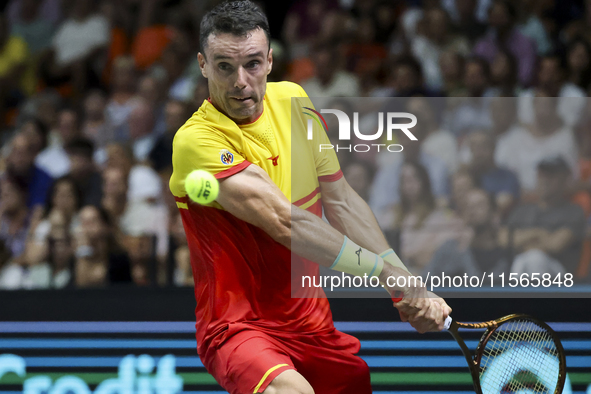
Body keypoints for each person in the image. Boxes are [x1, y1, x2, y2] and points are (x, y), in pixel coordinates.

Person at [169, 2, 451, 394]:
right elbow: (287, 223)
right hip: (240, 326)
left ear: (270, 61)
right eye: (224, 66)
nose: (240, 82)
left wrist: (403, 281)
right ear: (202, 64)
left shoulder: (294, 102)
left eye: (252, 64)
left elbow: (341, 201)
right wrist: (387, 274)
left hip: (313, 327)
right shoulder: (196, 141)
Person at [500, 157, 586, 275]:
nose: (545, 180)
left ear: (565, 179)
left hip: (560, 277)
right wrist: (537, 233)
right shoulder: (522, 210)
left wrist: (522, 241)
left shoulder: (573, 211)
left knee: (535, 258)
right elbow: (504, 239)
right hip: (520, 266)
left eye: (551, 176)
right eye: (541, 175)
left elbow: (555, 245)